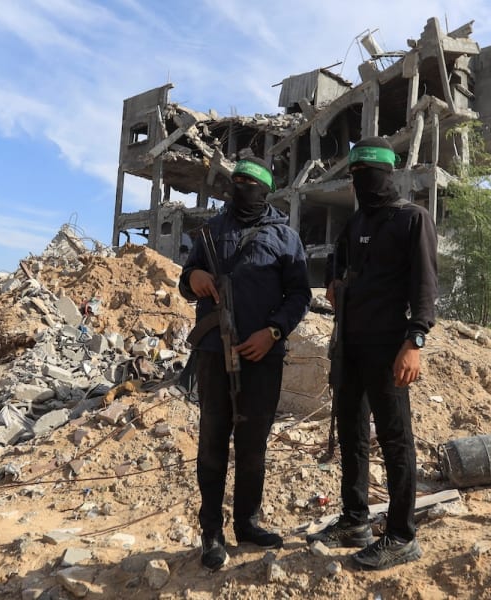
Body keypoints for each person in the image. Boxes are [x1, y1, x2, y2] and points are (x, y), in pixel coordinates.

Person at [307, 137, 438, 570]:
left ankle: (401, 535)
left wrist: (414, 342)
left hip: (389, 347)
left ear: (387, 174)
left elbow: (425, 288)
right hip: (350, 345)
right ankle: (354, 520)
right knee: (352, 435)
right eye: (355, 175)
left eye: (368, 174)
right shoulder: (355, 222)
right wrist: (333, 281)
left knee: (396, 440)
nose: (361, 182)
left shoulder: (411, 219)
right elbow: (336, 260)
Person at [179, 157, 311, 570]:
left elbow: (299, 295)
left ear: (265, 190)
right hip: (213, 353)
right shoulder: (211, 231)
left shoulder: (285, 237)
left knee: (253, 444)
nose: (241, 187)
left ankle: (247, 523)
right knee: (212, 442)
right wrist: (194, 278)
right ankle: (211, 532)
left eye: (249, 183)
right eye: (236, 181)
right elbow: (186, 280)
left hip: (261, 356)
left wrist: (273, 332)